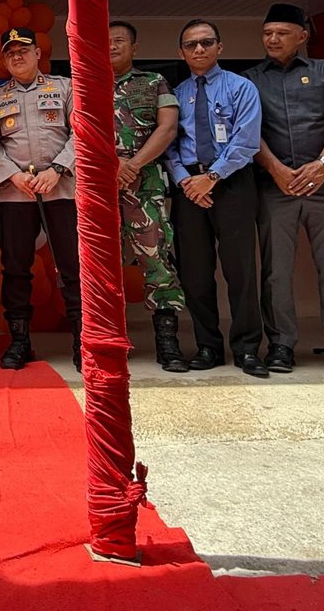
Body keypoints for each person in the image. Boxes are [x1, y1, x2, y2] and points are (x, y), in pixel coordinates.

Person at [246, 4, 324, 376]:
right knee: (276, 272)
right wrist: (276, 169)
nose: (272, 39)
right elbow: (249, 132)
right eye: (267, 33)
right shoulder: (250, 78)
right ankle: (281, 345)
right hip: (276, 187)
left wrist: (323, 163)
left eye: (282, 33)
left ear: (302, 36)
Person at [166, 20, 268, 378]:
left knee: (240, 270)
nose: (199, 49)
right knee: (195, 272)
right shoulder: (175, 94)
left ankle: (247, 348)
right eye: (191, 45)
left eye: (206, 42)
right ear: (181, 52)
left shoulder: (241, 87)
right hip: (188, 189)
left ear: (219, 47)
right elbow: (168, 143)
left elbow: (246, 140)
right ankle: (208, 346)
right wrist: (185, 180)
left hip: (232, 183)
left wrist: (211, 178)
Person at [0, 27, 82, 370]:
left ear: (38, 53)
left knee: (72, 266)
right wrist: (14, 175)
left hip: (61, 187)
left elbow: (80, 134)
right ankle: (19, 341)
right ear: (4, 60)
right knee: (15, 268)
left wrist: (57, 169)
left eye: (23, 50)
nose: (17, 56)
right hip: (16, 192)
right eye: (10, 52)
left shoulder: (65, 87)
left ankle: (83, 342)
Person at [109, 21, 187, 372]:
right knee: (102, 267)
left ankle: (167, 342)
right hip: (99, 189)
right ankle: (109, 341)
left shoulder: (154, 82)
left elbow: (167, 128)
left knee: (157, 261)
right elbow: (75, 130)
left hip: (145, 186)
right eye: (106, 41)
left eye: (119, 41)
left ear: (134, 48)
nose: (112, 46)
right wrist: (112, 164)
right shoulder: (83, 84)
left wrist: (133, 164)